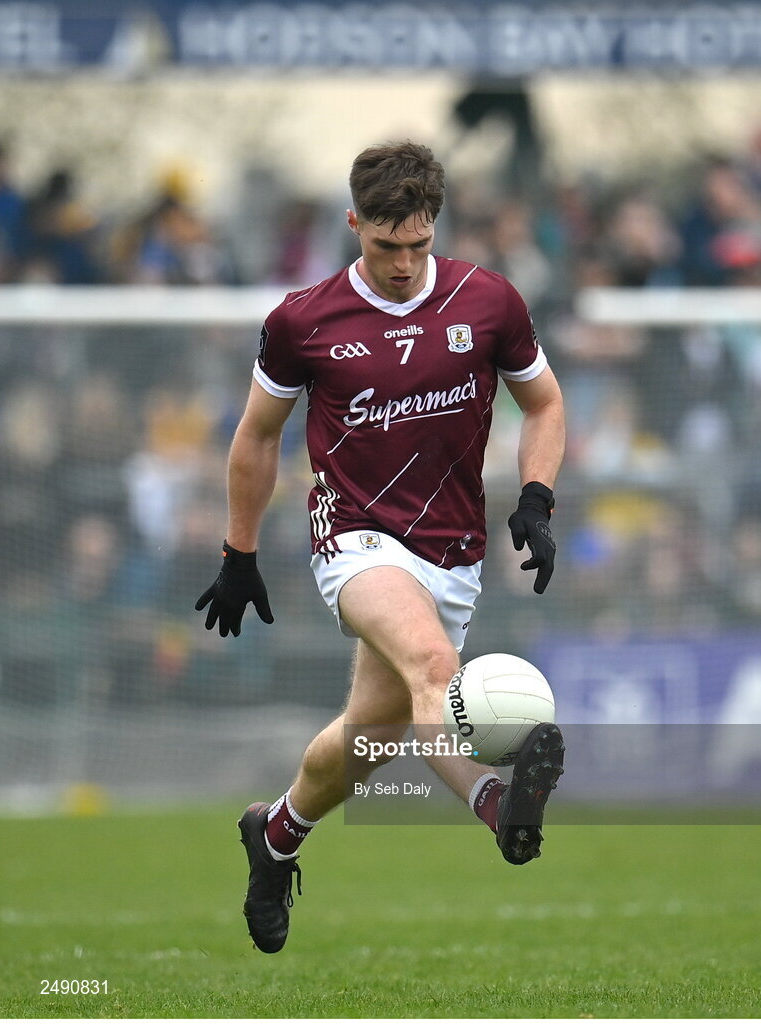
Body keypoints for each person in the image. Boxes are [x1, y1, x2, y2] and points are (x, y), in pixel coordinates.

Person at [196, 141, 566, 954]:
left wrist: (535, 496)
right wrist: (239, 552)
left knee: (368, 739)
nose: (402, 263)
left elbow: (542, 405)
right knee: (436, 670)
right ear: (354, 223)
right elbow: (257, 437)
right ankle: (497, 808)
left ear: (435, 226)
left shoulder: (489, 302)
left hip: (454, 552)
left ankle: (277, 832)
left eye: (417, 244)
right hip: (355, 541)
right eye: (383, 244)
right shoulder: (303, 320)